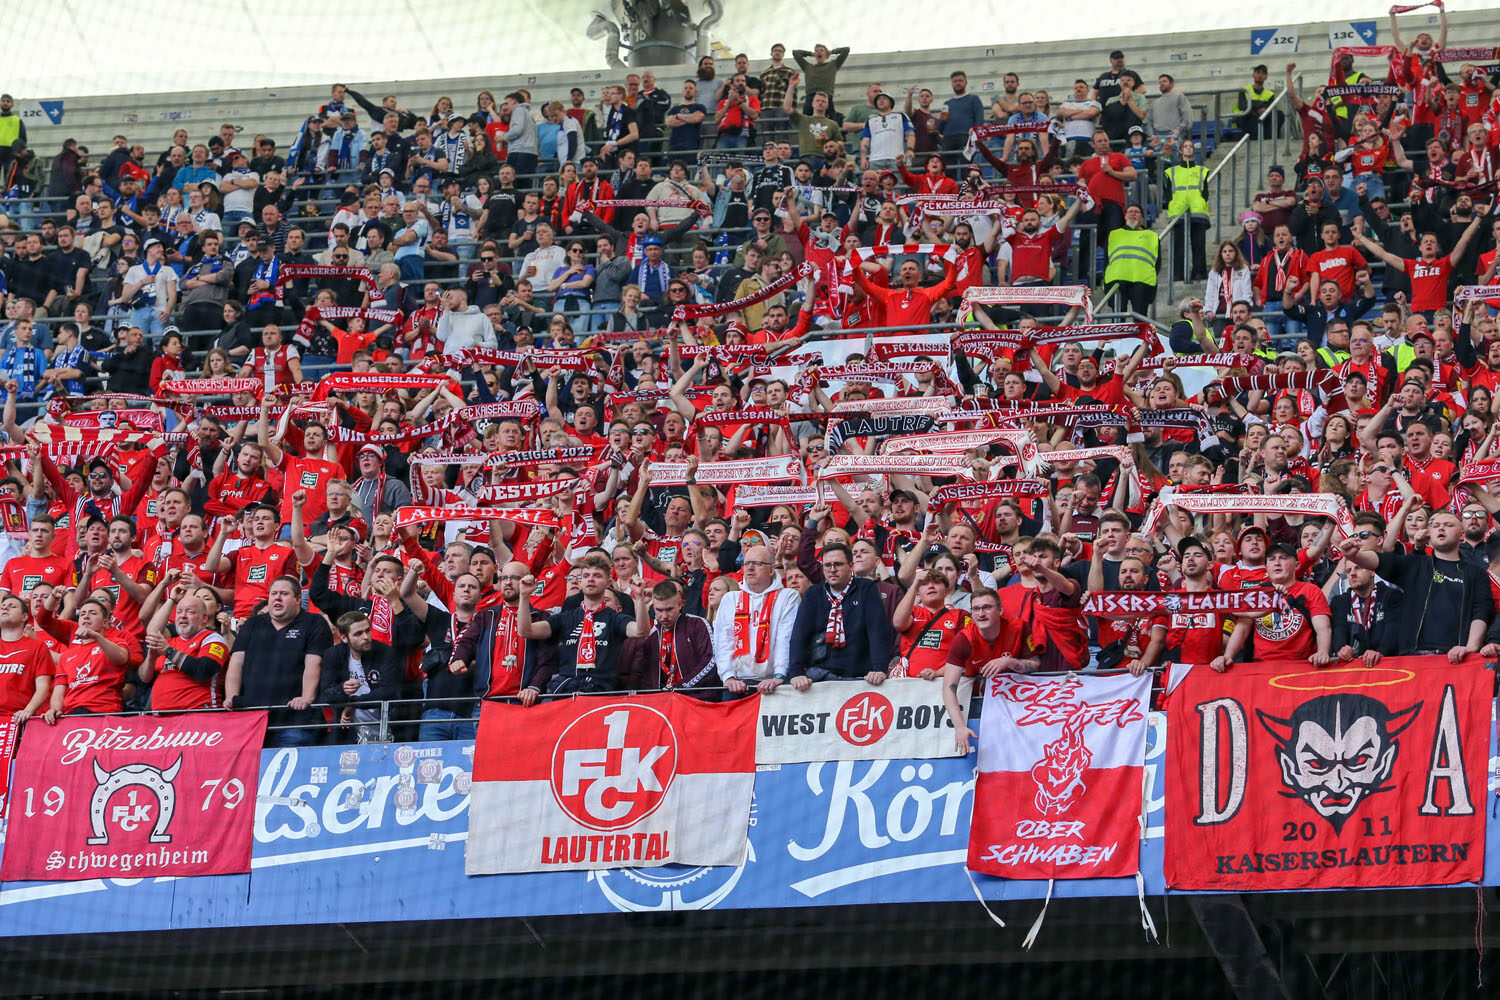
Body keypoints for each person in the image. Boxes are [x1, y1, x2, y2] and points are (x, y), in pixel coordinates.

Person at [226, 575, 333, 747]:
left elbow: (313, 663)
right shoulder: (252, 624)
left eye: (284, 593)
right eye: (273, 593)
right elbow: (236, 662)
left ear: (298, 599)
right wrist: (232, 696)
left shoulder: (314, 622)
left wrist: (306, 697)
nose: (277, 597)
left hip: (295, 719)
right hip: (252, 719)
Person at [787, 543, 895, 686]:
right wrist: (796, 673)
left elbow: (877, 631)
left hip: (858, 676)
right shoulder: (814, 593)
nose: (832, 570)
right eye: (827, 565)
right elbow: (799, 636)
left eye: (838, 564)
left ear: (851, 566)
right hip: (819, 675)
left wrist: (880, 669)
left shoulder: (866, 588)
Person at [713, 543, 799, 697]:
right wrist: (728, 677)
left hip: (773, 684)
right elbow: (723, 641)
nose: (750, 568)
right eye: (746, 563)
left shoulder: (787, 596)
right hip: (736, 683)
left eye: (757, 564)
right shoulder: (731, 598)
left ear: (771, 569)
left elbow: (785, 639)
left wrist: (779, 675)